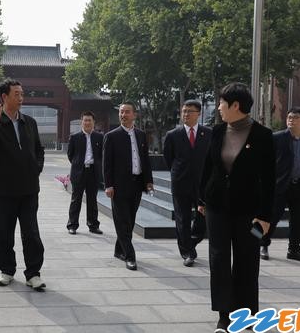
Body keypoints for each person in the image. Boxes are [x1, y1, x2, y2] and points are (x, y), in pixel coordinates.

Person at [198, 82, 275, 333]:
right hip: (217, 207)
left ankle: (248, 313)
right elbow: (208, 167)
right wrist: (201, 199)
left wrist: (266, 217)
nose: (219, 107)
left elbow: (270, 180)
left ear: (235, 105)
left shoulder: (263, 136)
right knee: (219, 258)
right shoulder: (217, 131)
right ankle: (224, 315)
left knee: (248, 259)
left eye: (221, 103)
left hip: (250, 211)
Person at [0, 78, 46, 290]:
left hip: (29, 189)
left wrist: (36, 168)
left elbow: (39, 149)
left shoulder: (29, 122)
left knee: (31, 232)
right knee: (4, 232)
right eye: (17, 94)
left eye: (22, 94)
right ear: (4, 97)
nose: (21, 98)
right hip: (4, 190)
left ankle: (33, 273)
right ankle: (7, 270)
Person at [260, 108, 300, 263]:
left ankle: (294, 250)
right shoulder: (276, 137)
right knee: (269, 217)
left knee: (298, 221)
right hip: (279, 185)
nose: (291, 120)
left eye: (295, 117)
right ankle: (260, 244)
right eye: (289, 117)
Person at [103, 101, 154, 271]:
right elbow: (107, 164)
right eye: (121, 112)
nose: (123, 115)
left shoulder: (141, 135)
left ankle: (119, 250)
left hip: (137, 184)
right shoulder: (111, 136)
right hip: (119, 186)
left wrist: (149, 181)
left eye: (127, 112)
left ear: (134, 115)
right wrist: (109, 185)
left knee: (130, 220)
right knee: (122, 221)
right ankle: (130, 256)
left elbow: (145, 159)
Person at [163, 100, 212, 267]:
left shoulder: (209, 133)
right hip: (180, 183)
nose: (186, 114)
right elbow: (169, 159)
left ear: (198, 113)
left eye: (190, 111)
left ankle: (191, 242)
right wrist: (178, 172)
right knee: (182, 219)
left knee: (203, 218)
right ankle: (187, 252)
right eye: (184, 111)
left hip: (203, 184)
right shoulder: (173, 135)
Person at [66, 111, 104, 235]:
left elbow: (101, 155)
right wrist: (78, 164)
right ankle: (72, 225)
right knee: (76, 199)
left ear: (94, 122)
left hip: (93, 172)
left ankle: (93, 225)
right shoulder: (75, 137)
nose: (87, 122)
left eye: (89, 120)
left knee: (92, 200)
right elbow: (70, 155)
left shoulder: (100, 137)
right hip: (79, 172)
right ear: (81, 122)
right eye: (85, 120)